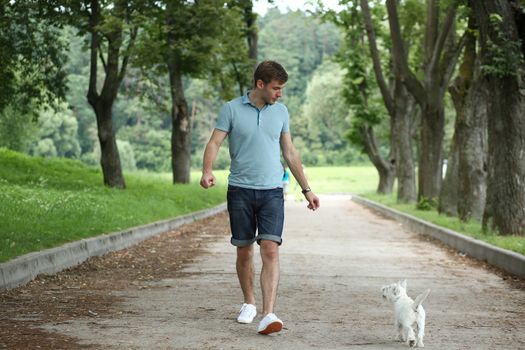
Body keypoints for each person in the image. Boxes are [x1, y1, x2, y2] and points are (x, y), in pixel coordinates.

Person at [200, 60, 320, 335]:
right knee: (244, 249)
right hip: (240, 190)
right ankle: (249, 303)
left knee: (270, 247)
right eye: (277, 88)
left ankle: (268, 313)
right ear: (260, 84)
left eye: (282, 89)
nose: (280, 94)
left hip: (272, 191)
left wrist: (306, 189)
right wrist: (207, 171)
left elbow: (289, 153)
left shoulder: (281, 112)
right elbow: (215, 142)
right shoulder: (231, 109)